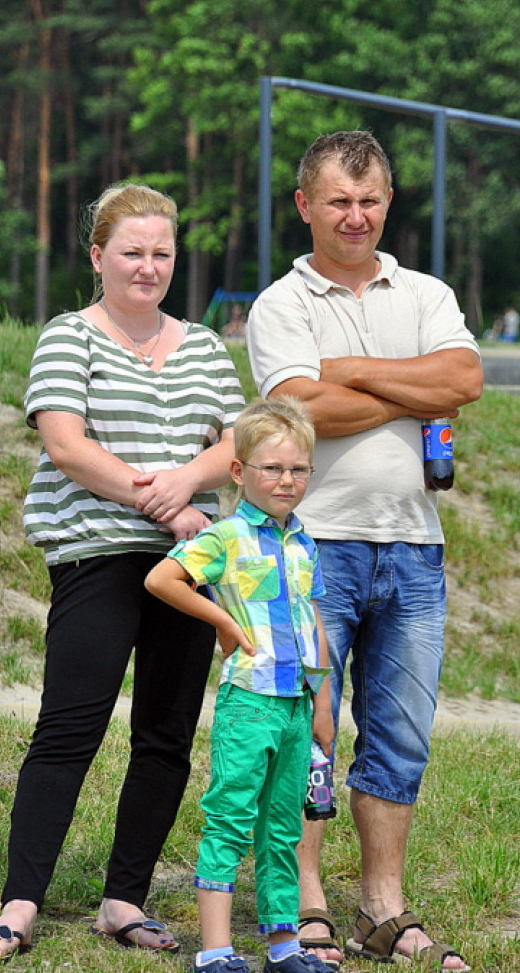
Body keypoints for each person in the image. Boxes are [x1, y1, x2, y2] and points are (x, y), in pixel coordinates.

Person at [0, 183, 245, 961]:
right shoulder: (69, 337)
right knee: (69, 727)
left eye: (161, 252)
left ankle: (123, 899)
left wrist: (189, 488)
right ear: (98, 257)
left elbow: (236, 443)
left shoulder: (201, 346)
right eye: (132, 252)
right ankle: (20, 901)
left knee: (165, 736)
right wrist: (165, 500)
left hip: (190, 564)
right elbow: (66, 446)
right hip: (97, 551)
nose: (148, 266)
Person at [247, 131, 483, 972]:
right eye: (339, 200)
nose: (357, 216)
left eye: (371, 199)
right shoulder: (284, 302)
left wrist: (352, 372)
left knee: (400, 735)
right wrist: (404, 382)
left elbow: (461, 383)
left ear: (389, 201)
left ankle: (383, 906)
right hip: (314, 547)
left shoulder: (426, 291)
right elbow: (299, 410)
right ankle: (307, 899)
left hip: (414, 547)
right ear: (305, 204)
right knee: (307, 730)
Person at [145, 396, 334, 973]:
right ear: (239, 472)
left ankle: (283, 948)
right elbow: (162, 578)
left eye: (298, 468)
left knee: (282, 829)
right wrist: (224, 621)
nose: (286, 480)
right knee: (230, 817)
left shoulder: (303, 541)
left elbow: (314, 618)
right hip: (249, 701)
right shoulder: (225, 537)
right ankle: (217, 951)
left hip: (298, 706)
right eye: (272, 468)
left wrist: (324, 702)